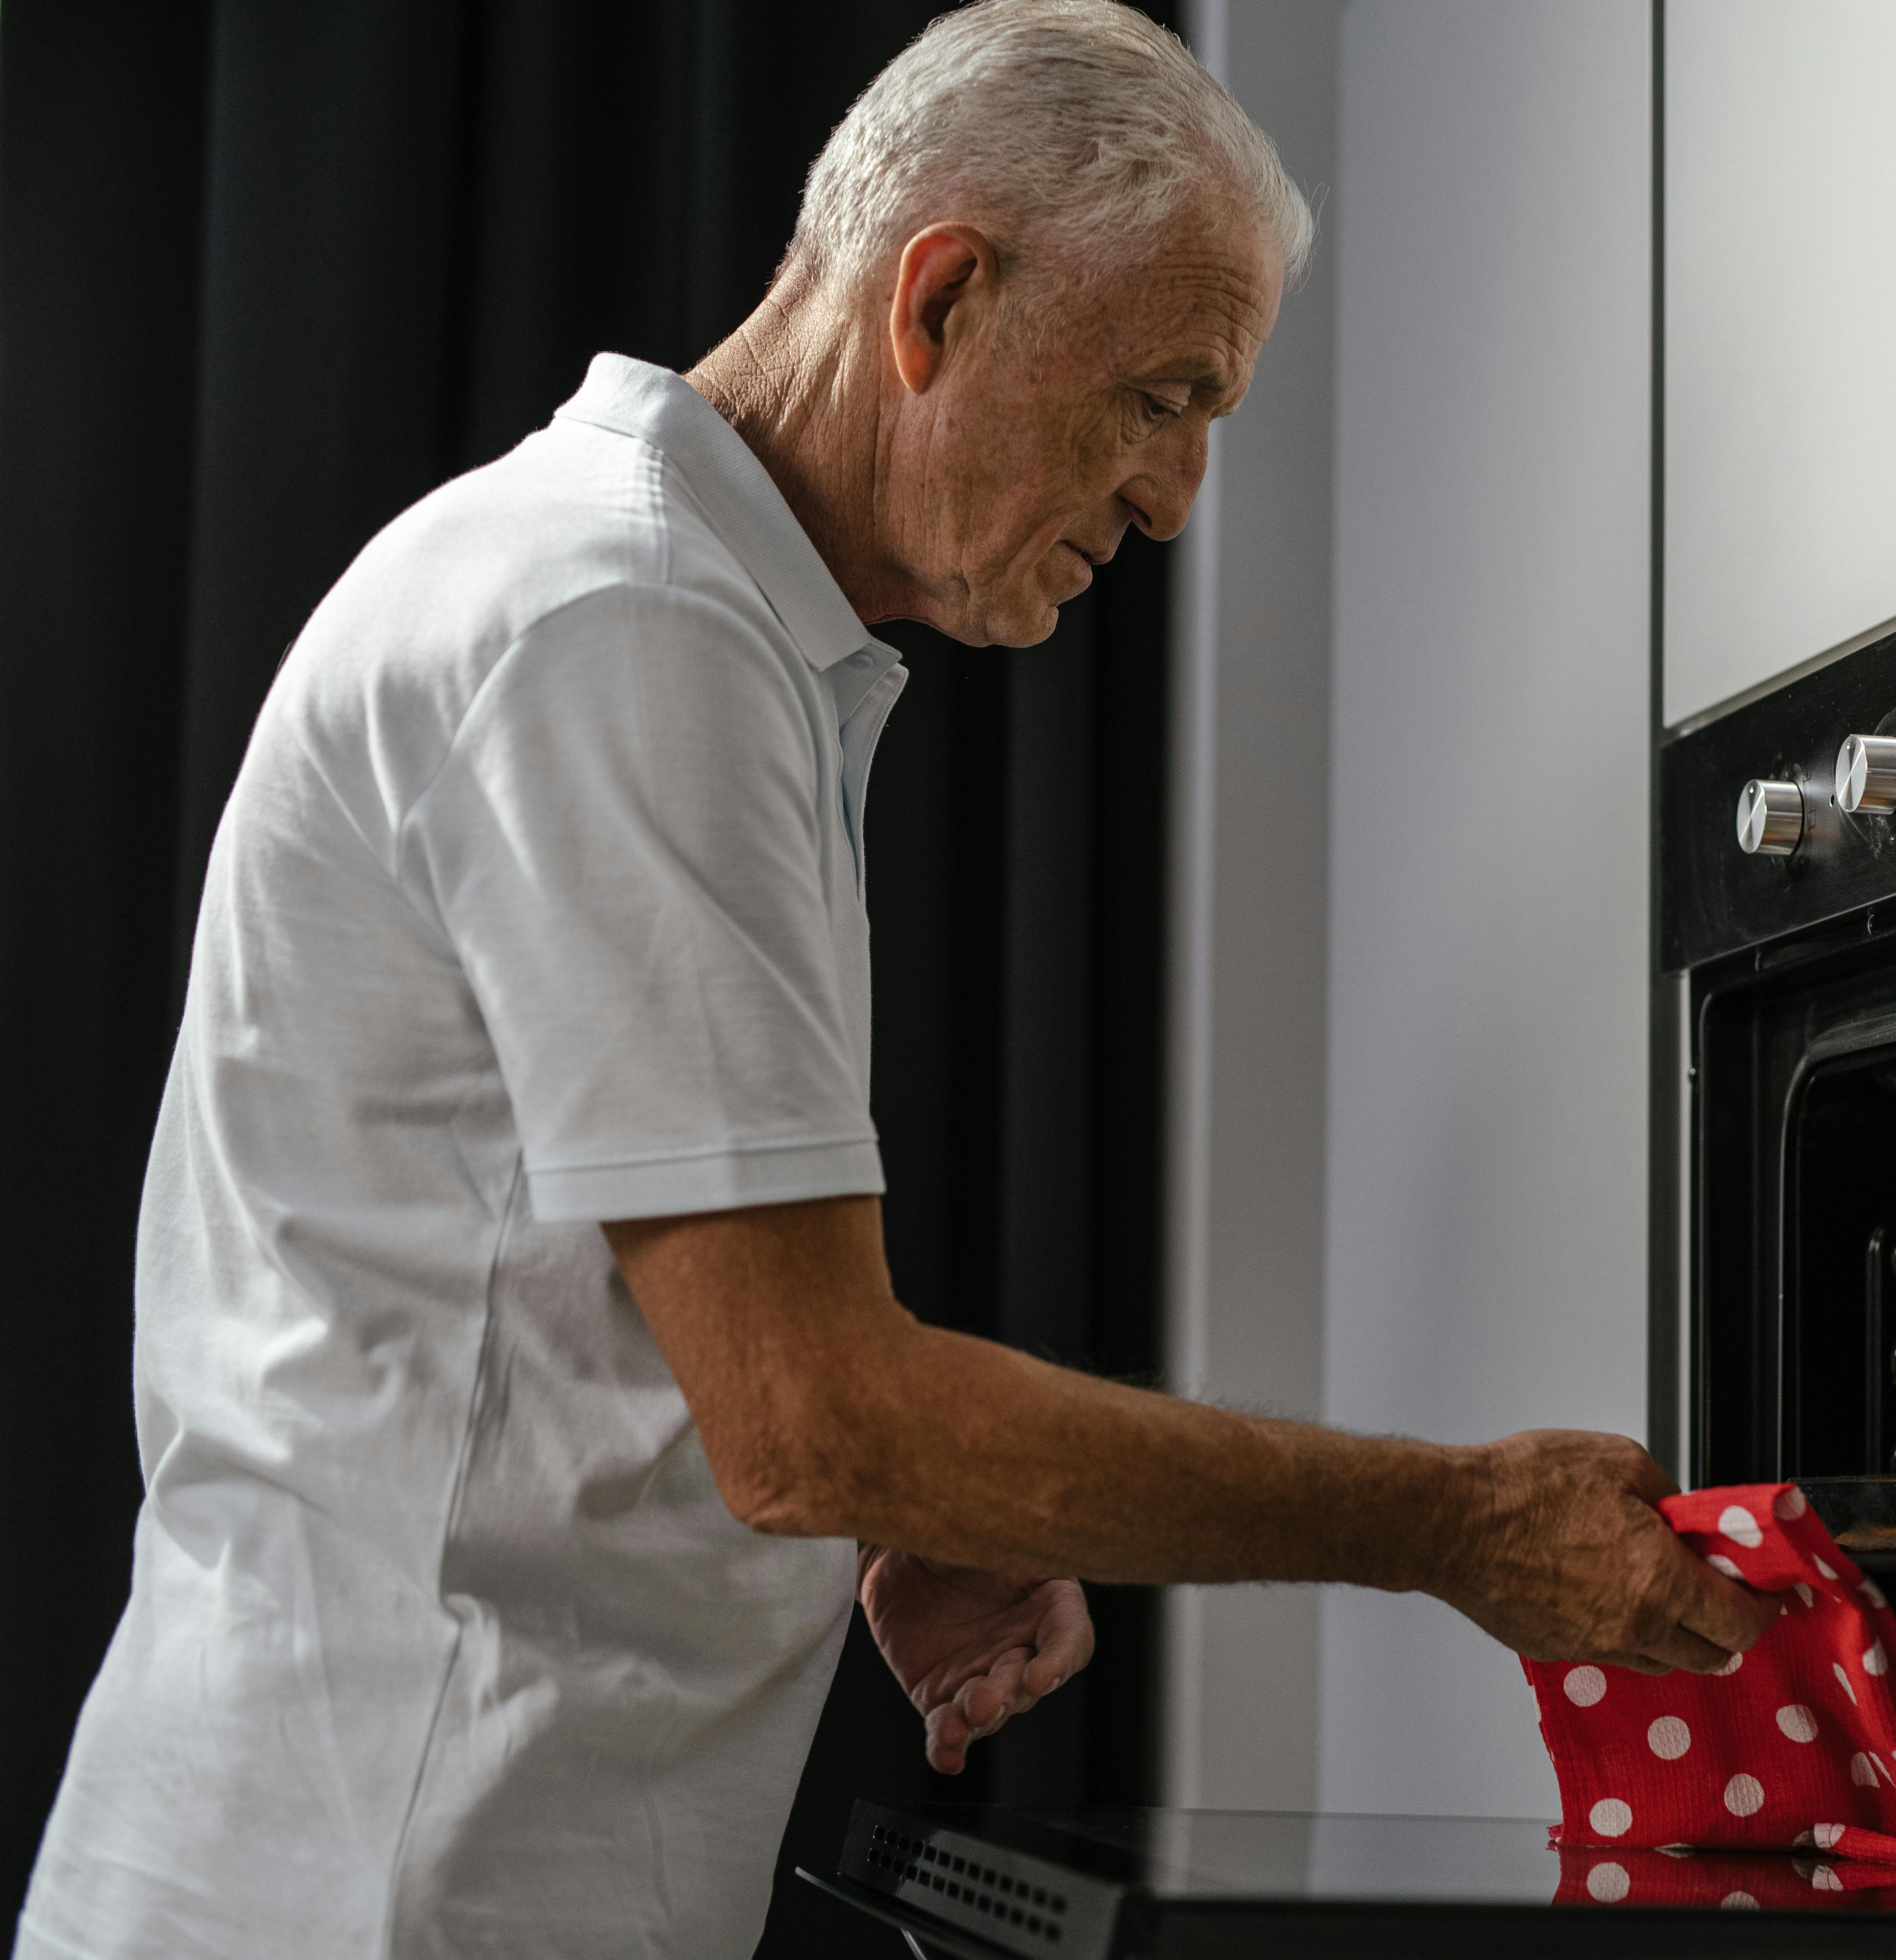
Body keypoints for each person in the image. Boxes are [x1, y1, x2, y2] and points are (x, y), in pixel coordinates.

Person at [12, 5, 1772, 1957]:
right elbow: (809, 1416)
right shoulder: (628, 624)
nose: (1180, 499)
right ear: (940, 300)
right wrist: (1449, 1523)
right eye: (1164, 396)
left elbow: (559, 1289)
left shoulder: (661, 609)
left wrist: (907, 1494)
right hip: (385, 1891)